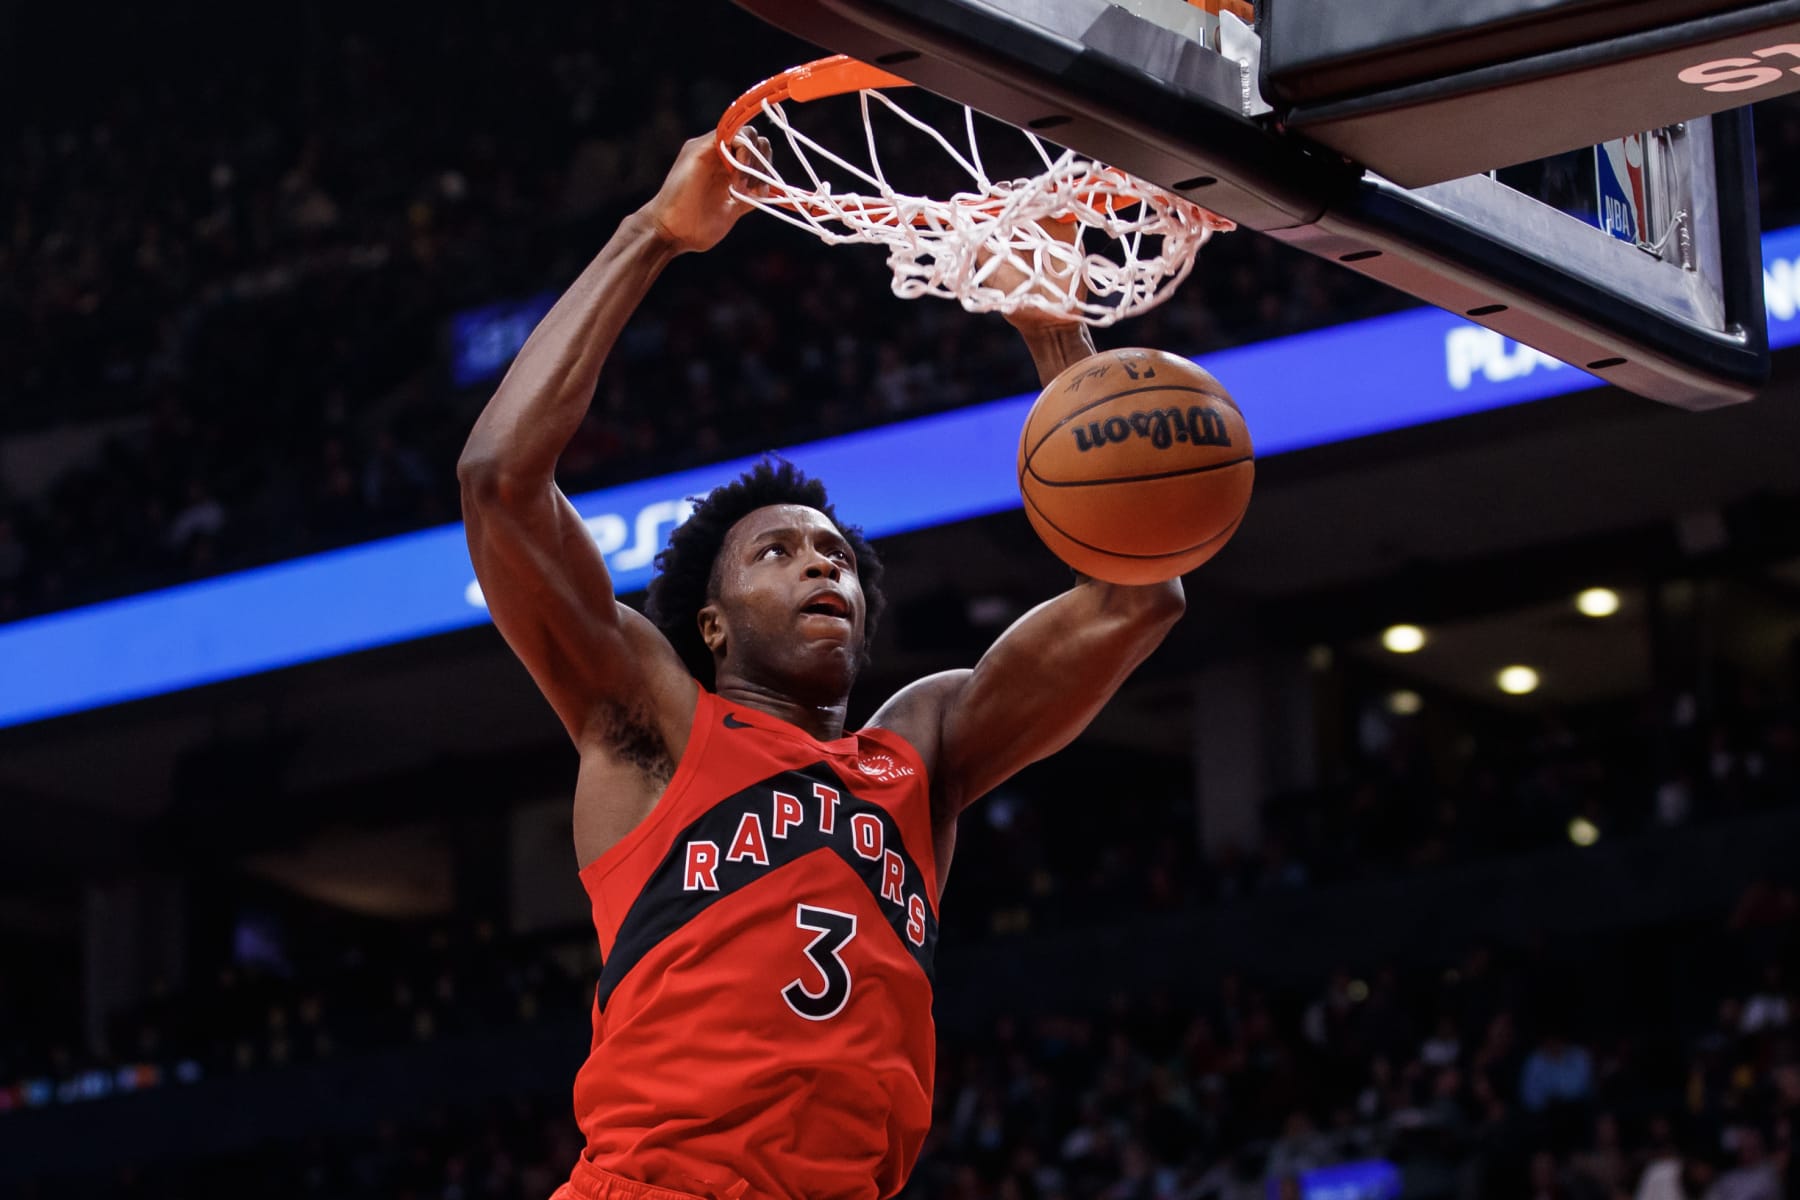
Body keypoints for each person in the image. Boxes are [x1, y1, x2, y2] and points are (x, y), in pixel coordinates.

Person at [458, 133, 1188, 1200]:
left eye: (836, 556)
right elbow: (499, 481)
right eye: (780, 551)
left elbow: (1138, 592)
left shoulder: (918, 750)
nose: (822, 566)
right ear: (709, 627)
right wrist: (651, 235)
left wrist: (1049, 322)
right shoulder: (656, 727)